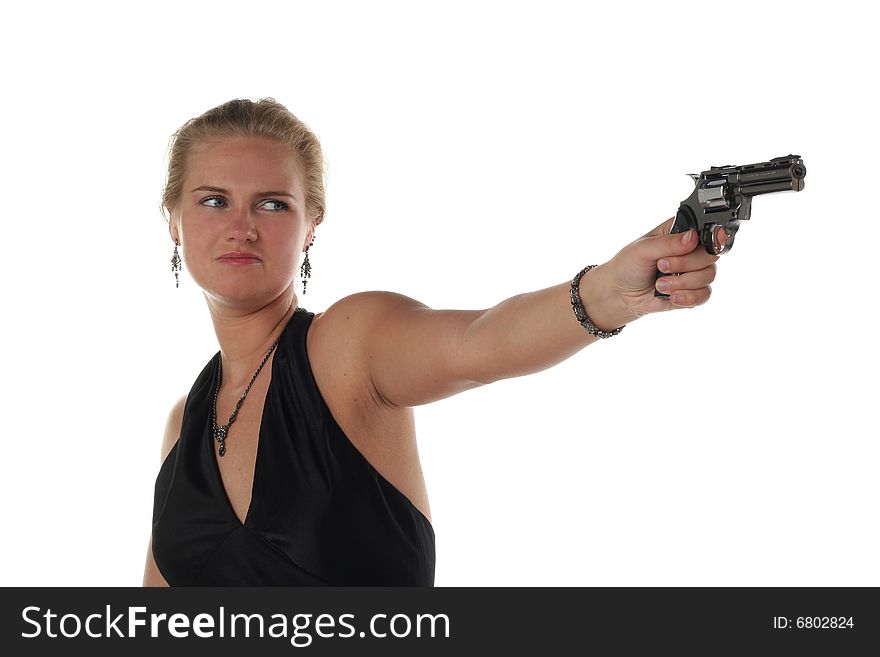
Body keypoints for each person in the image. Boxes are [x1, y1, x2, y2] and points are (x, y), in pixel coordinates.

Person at [142, 97, 719, 587]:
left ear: (311, 224)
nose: (241, 226)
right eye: (213, 200)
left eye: (272, 204)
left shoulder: (347, 345)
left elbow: (478, 343)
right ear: (174, 220)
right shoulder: (184, 422)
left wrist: (603, 296)